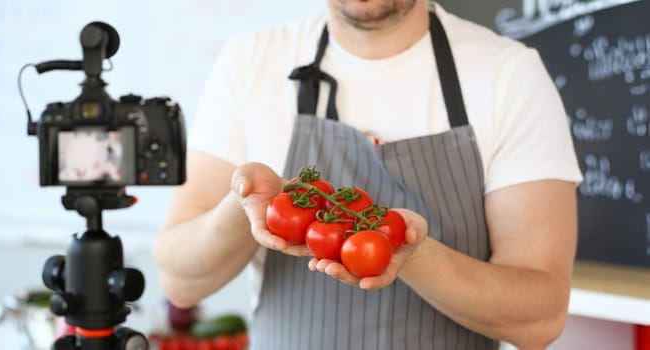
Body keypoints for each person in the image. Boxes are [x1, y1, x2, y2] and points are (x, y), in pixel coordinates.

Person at [154, 0, 583, 349]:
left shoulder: (509, 75)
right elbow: (180, 281)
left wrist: (411, 252)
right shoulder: (251, 61)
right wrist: (244, 206)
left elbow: (540, 316)